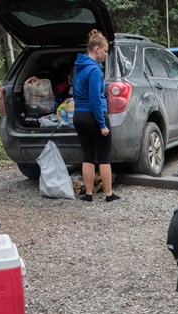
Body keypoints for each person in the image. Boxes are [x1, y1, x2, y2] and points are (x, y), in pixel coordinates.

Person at [72, 30, 119, 203]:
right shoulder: (94, 70)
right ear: (96, 48)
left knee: (87, 156)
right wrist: (102, 124)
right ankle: (108, 194)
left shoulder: (78, 67)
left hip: (79, 116)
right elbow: (95, 100)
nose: (106, 55)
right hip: (93, 117)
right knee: (104, 157)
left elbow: (76, 94)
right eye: (105, 51)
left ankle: (89, 194)